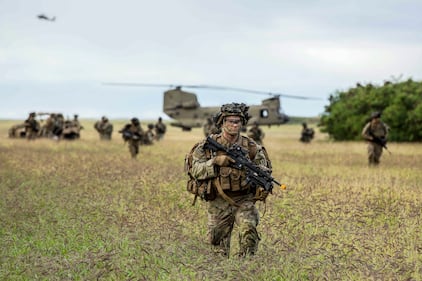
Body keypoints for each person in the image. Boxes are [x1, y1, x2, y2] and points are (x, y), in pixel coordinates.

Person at [188, 103, 273, 258]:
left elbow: (264, 169)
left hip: (244, 199)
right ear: (222, 122)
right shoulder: (207, 146)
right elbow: (195, 170)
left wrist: (258, 174)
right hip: (218, 201)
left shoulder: (252, 146)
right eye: (230, 121)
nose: (234, 124)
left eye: (237, 121)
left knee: (249, 232)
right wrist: (214, 162)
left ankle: (245, 269)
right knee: (217, 246)